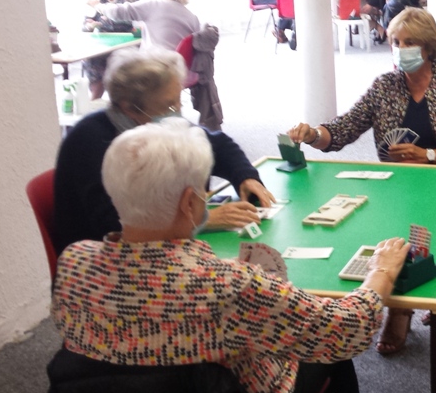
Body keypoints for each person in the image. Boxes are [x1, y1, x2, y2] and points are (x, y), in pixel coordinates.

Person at [50, 118, 410, 393]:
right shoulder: (227, 284)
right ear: (189, 202)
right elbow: (346, 330)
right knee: (330, 353)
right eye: (204, 192)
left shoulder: (73, 263)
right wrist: (380, 271)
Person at [287, 8, 436, 355]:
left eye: (409, 42)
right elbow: (344, 128)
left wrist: (428, 155)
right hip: (397, 184)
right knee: (393, 231)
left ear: (428, 47)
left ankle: (405, 305)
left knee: (427, 235)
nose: (400, 48)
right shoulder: (384, 85)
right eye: (396, 41)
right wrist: (314, 134)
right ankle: (401, 305)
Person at [53, 48, 276, 255]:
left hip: (160, 247)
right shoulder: (88, 141)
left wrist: (245, 177)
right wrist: (201, 219)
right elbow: (112, 222)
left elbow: (218, 145)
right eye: (169, 105)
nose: (177, 111)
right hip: (104, 260)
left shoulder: (154, 123)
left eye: (179, 101)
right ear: (129, 108)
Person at [89, 0, 200, 52]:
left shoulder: (154, 5)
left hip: (153, 66)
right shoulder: (193, 18)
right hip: (178, 70)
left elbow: (117, 12)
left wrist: (97, 6)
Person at [82, 0, 142, 99]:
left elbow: (124, 21)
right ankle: (95, 98)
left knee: (121, 65)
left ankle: (122, 101)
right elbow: (85, 24)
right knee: (92, 59)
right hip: (100, 45)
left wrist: (101, 21)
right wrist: (90, 26)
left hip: (125, 44)